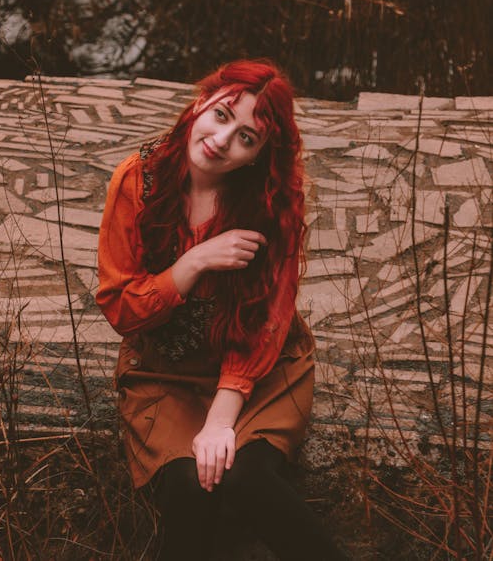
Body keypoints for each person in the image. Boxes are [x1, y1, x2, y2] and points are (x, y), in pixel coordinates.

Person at [96, 59, 347, 560]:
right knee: (190, 486)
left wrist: (221, 419)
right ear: (200, 102)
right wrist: (193, 262)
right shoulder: (136, 181)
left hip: (260, 371)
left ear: (257, 156)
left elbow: (268, 320)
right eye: (223, 114)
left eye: (247, 138)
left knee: (245, 477)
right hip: (164, 373)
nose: (222, 138)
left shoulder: (272, 201)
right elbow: (121, 307)